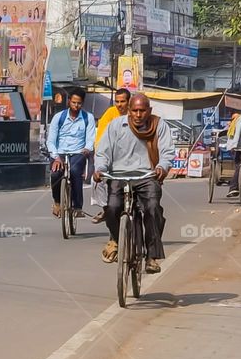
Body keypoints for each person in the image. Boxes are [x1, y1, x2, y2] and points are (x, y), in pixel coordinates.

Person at [93, 93, 174, 273]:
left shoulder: (158, 125)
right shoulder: (115, 126)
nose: (138, 115)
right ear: (129, 111)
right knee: (112, 208)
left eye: (142, 111)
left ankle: (152, 256)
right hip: (118, 176)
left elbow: (168, 152)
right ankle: (116, 239)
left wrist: (162, 167)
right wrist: (100, 168)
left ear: (149, 111)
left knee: (153, 208)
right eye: (135, 111)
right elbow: (102, 152)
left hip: (147, 176)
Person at [46, 87, 95, 219]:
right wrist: (56, 157)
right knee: (56, 174)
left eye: (79, 103)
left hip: (78, 152)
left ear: (82, 103)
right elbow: (50, 140)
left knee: (74, 173)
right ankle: (57, 202)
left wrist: (87, 148)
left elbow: (91, 138)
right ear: (69, 102)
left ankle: (78, 207)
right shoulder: (58, 117)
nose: (76, 105)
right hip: (59, 152)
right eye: (73, 102)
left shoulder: (88, 118)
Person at [89, 88, 131, 223]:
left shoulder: (136, 114)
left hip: (133, 159)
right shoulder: (110, 114)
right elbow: (100, 139)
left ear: (129, 102)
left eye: (123, 101)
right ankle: (105, 208)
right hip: (112, 157)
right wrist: (101, 158)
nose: (119, 105)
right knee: (96, 179)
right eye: (117, 102)